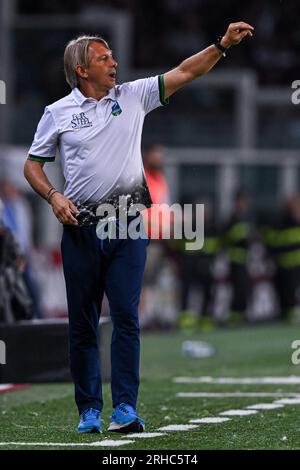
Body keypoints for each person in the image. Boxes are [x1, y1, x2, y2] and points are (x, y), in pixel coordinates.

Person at [24, 23, 253, 434]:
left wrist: (221, 45)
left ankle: (125, 408)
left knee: (127, 316)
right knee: (83, 324)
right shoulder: (56, 113)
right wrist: (54, 197)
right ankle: (89, 410)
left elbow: (187, 71)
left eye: (112, 56)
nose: (114, 62)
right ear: (82, 70)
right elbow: (32, 165)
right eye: (103, 58)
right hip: (81, 230)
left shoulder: (132, 95)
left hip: (129, 226)